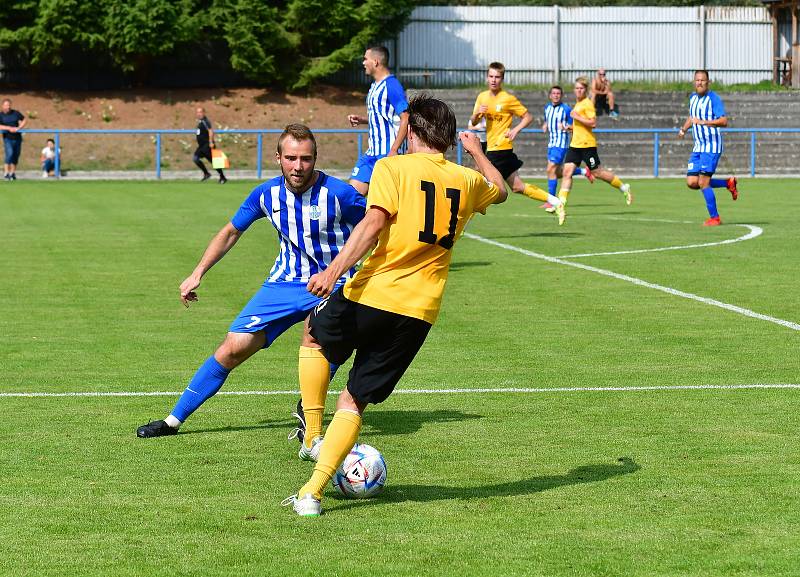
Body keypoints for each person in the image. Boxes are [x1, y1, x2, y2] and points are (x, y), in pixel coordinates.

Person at [282, 95, 507, 517]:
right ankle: (311, 494)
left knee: (313, 335)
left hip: (373, 292)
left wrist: (332, 272)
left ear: (414, 131)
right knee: (353, 400)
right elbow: (503, 190)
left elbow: (372, 223)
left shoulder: (392, 167)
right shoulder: (467, 180)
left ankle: (313, 436)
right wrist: (477, 152)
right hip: (420, 311)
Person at [136, 125, 366, 442]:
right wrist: (197, 272)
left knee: (318, 337)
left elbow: (375, 226)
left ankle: (309, 411)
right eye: (290, 158)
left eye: (305, 159)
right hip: (284, 283)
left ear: (315, 159)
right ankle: (173, 421)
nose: (298, 166)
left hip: (336, 283)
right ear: (278, 158)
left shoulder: (340, 194)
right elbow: (231, 231)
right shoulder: (265, 195)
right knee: (232, 348)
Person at [470, 62, 563, 216]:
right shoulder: (482, 97)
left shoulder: (508, 99)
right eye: (491, 76)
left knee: (475, 181)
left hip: (501, 148)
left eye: (497, 77)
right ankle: (555, 201)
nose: (494, 80)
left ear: (502, 79)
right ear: (487, 77)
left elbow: (528, 117)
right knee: (518, 187)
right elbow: (473, 122)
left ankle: (460, 224)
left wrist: (515, 130)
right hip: (494, 148)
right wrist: (477, 114)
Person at [557, 77, 632, 226]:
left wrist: (577, 116)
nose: (578, 90)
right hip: (575, 145)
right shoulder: (578, 104)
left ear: (585, 90)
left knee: (598, 173)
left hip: (587, 145)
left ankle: (624, 187)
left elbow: (593, 123)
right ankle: (560, 205)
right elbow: (580, 125)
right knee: (567, 172)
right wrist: (570, 128)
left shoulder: (587, 104)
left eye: (581, 88)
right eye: (576, 88)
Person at [678, 70, 738, 226]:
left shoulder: (713, 99)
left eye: (702, 80)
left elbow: (724, 121)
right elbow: (692, 117)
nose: (699, 83)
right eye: (697, 80)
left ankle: (715, 218)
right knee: (692, 182)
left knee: (703, 183)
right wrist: (684, 129)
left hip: (711, 147)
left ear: (708, 82)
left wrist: (705, 122)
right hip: (698, 147)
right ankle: (727, 183)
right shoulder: (692, 98)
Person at [348, 46, 409, 196]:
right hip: (371, 153)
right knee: (351, 197)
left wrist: (394, 150)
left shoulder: (392, 85)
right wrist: (362, 119)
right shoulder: (374, 86)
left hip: (387, 154)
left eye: (365, 59)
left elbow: (406, 117)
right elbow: (384, 116)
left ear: (375, 62)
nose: (363, 62)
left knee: (384, 203)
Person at [541, 85, 594, 210]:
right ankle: (583, 171)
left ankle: (551, 200)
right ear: (550, 95)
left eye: (558, 93)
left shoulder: (566, 109)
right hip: (551, 143)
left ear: (561, 95)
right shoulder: (547, 107)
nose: (556, 95)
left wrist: (566, 127)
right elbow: (546, 120)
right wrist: (545, 125)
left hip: (561, 144)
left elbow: (574, 126)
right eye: (553, 93)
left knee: (550, 169)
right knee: (556, 171)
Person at [193, 106, 227, 184]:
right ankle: (206, 173)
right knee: (195, 158)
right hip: (201, 146)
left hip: (207, 145)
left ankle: (222, 177)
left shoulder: (205, 121)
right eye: (197, 112)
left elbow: (210, 131)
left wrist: (211, 142)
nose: (199, 114)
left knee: (214, 162)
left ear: (204, 113)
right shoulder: (200, 122)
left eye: (200, 112)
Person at [0, 98, 26, 181]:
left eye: (9, 105)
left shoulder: (16, 113)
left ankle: (12, 173)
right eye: (6, 105)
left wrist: (19, 127)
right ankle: (6, 173)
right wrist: (8, 128)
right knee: (9, 154)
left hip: (17, 138)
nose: (7, 107)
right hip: (7, 138)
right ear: (2, 106)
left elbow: (24, 119)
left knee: (16, 155)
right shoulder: (0, 115)